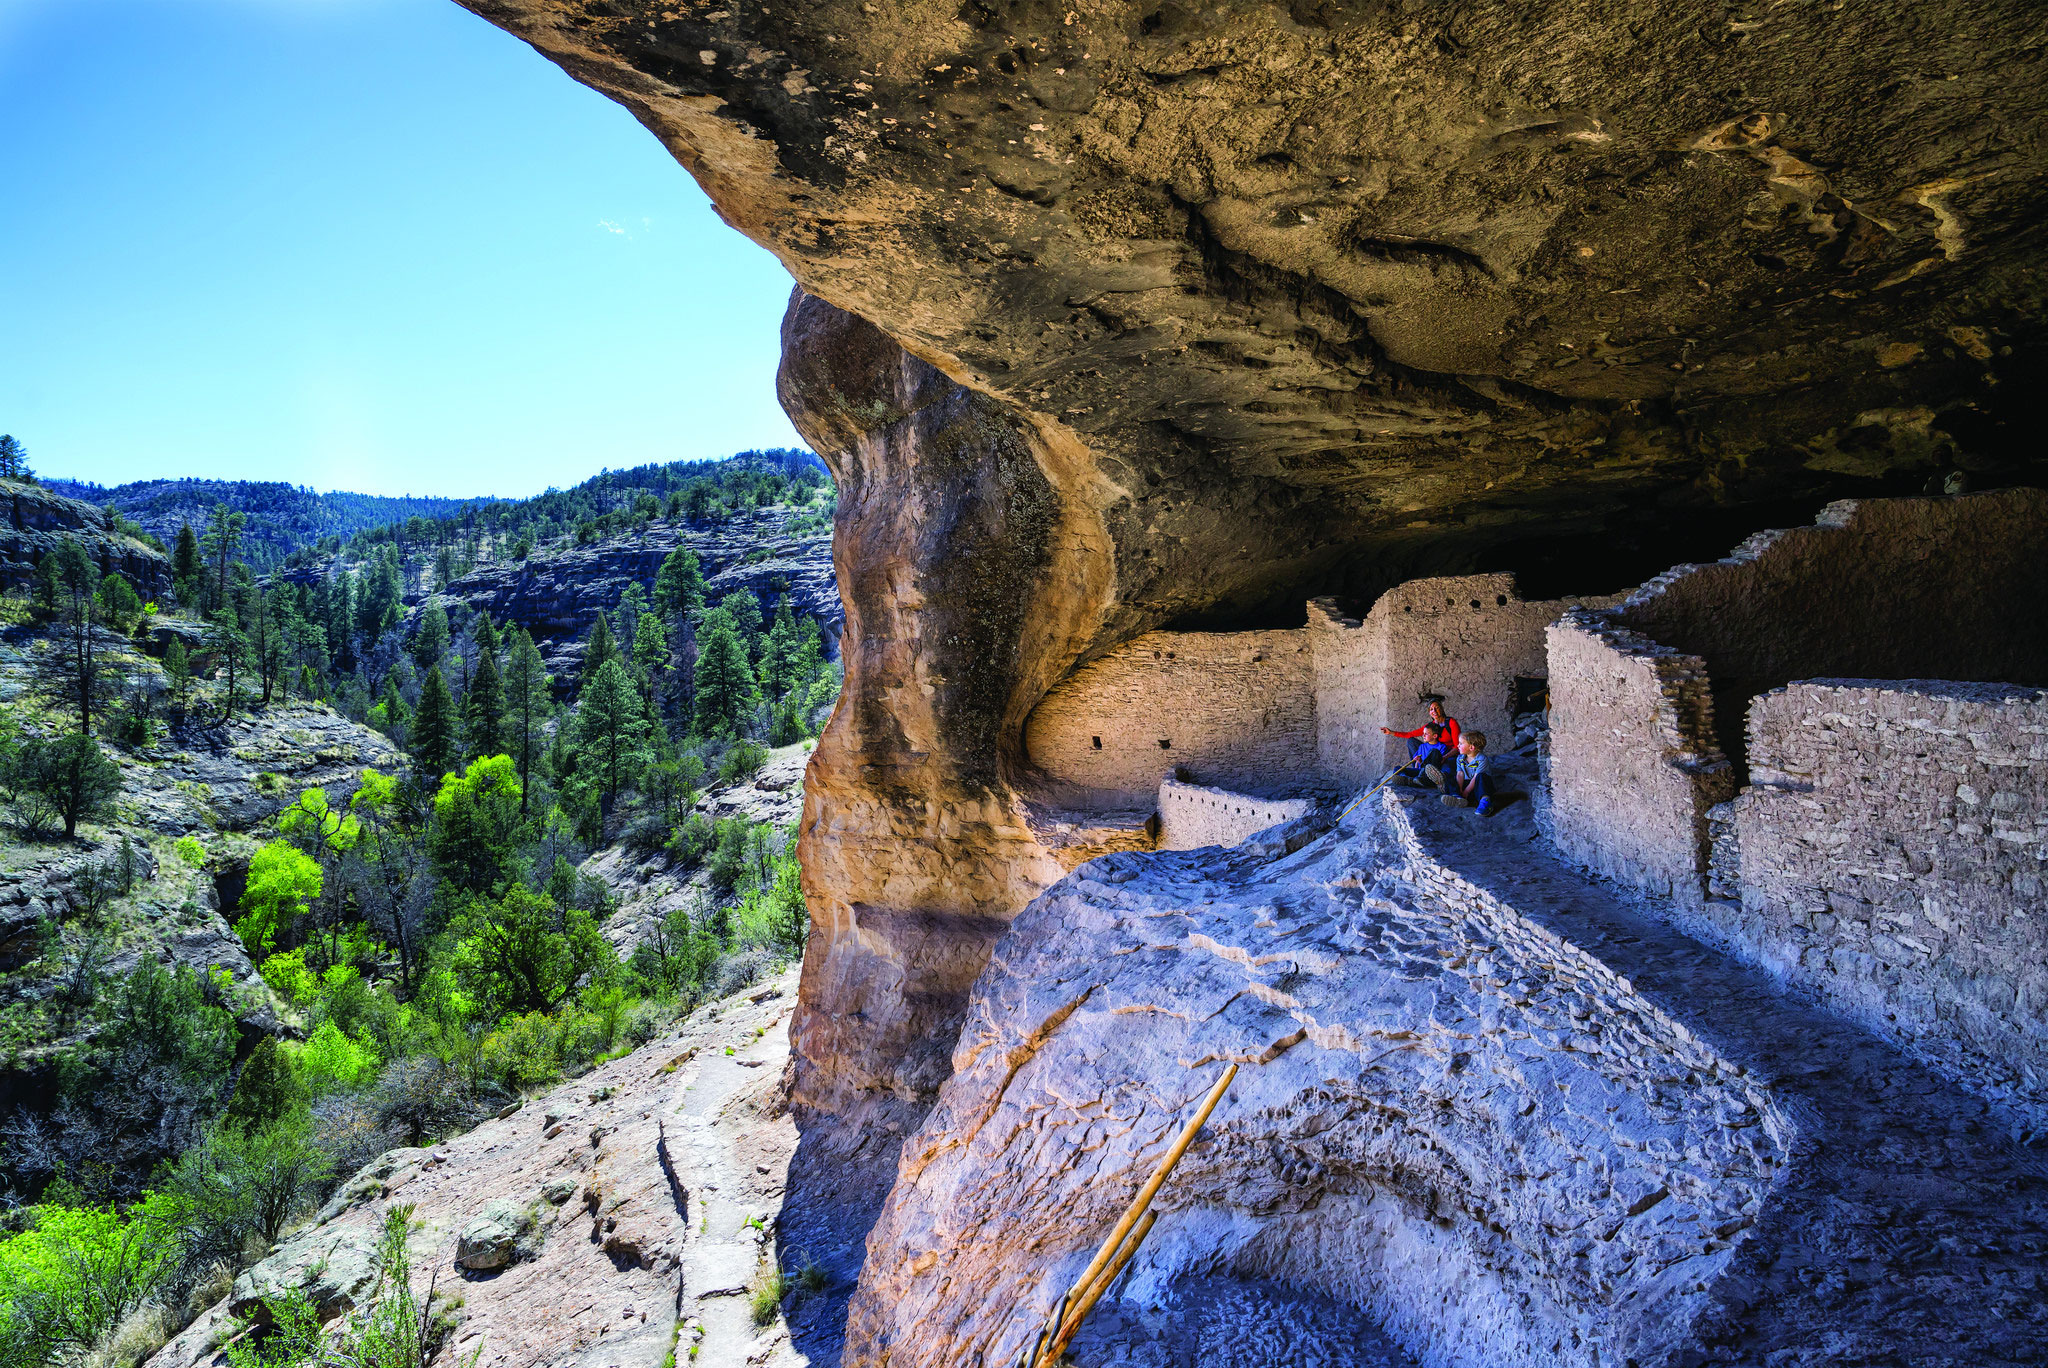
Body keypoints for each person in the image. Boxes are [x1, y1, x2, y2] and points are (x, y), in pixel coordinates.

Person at [1383, 696, 1461, 759]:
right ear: (1429, 713)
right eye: (1431, 709)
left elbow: (1457, 747)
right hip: (1434, 754)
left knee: (1447, 768)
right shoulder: (1430, 726)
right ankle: (1417, 769)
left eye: (1436, 708)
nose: (1434, 711)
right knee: (1411, 741)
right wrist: (1391, 732)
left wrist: (1444, 757)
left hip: (1449, 755)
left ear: (1441, 709)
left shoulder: (1451, 723)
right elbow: (1410, 734)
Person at [1440, 731, 1495, 817]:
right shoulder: (1460, 758)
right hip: (1466, 783)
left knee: (1482, 777)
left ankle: (1485, 802)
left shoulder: (1482, 759)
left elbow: (1475, 778)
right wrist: (1460, 789)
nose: (1457, 746)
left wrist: (1466, 791)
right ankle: (1456, 796)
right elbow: (1460, 774)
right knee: (1450, 776)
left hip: (1478, 786)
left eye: (1461, 743)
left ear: (1471, 747)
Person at [1389, 722, 1451, 787]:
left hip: (1429, 775)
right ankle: (1409, 780)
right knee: (1397, 768)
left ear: (1435, 736)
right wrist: (1419, 761)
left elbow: (1440, 764)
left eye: (1426, 734)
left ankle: (1416, 780)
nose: (1423, 736)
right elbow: (1417, 766)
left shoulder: (1441, 747)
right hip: (1420, 772)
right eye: (1423, 733)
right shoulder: (1422, 746)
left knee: (1434, 751)